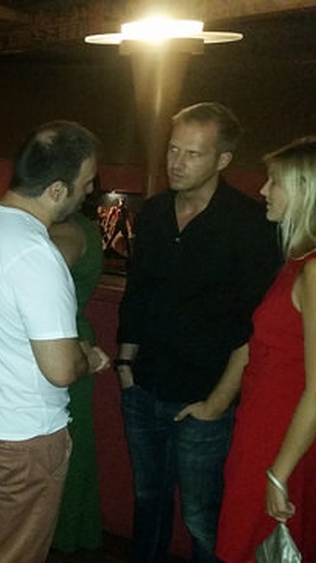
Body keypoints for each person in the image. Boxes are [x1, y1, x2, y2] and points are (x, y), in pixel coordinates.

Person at [116, 102, 282, 563]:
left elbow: (254, 327)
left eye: (192, 154)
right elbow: (138, 293)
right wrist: (125, 366)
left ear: (222, 159)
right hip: (143, 385)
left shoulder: (249, 224)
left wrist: (216, 404)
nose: (176, 162)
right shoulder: (154, 212)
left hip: (204, 398)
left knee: (202, 518)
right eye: (173, 149)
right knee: (147, 503)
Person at [0, 121, 109, 563]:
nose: (89, 191)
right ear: (56, 190)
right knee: (13, 553)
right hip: (22, 436)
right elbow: (59, 369)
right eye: (85, 182)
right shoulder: (36, 253)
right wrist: (88, 358)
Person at [215, 137, 316, 562]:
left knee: (247, 546)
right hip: (261, 425)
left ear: (305, 191)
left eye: (274, 181)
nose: (263, 190)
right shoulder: (297, 263)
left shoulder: (313, 271)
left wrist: (279, 473)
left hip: (277, 437)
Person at [48, 198, 106, 553]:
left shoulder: (71, 231)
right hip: (64, 340)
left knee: (62, 443)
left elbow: (43, 273)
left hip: (63, 341)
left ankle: (59, 533)